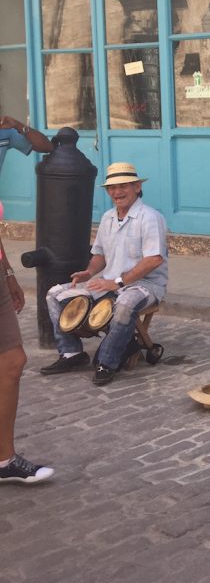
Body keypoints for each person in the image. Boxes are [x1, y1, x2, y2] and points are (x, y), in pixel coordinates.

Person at [40, 162, 168, 387]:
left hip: (144, 285)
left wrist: (118, 282)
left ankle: (107, 362)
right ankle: (71, 353)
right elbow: (100, 254)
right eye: (112, 188)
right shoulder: (108, 217)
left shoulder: (150, 217)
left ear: (137, 187)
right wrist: (89, 272)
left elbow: (154, 259)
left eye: (123, 186)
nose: (117, 192)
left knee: (126, 303)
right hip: (109, 281)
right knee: (54, 294)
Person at [0, 116, 53, 484]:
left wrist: (7, 273)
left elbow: (46, 145)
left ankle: (4, 461)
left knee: (12, 361)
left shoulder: (4, 134)